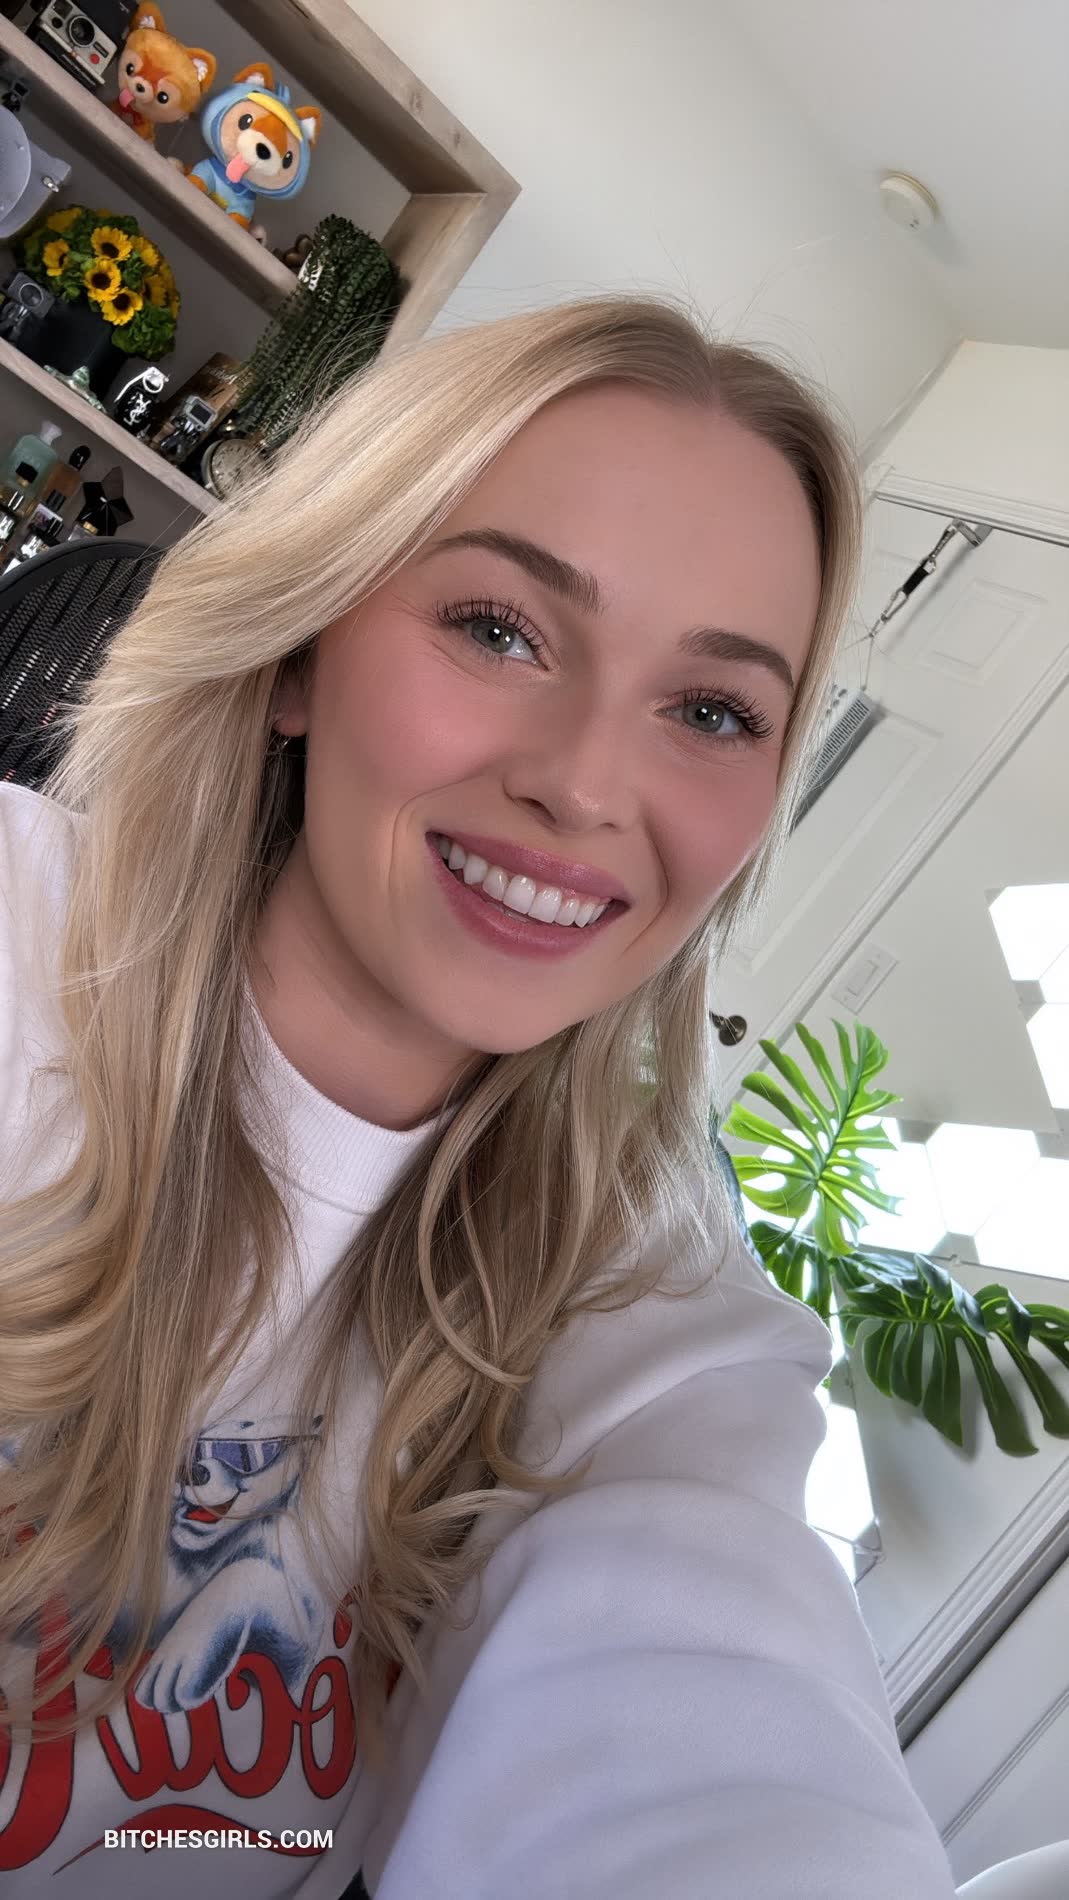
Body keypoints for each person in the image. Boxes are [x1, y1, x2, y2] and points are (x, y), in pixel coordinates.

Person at [0, 296, 957, 1899]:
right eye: (500, 629)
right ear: (302, 650)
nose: (583, 786)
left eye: (711, 712)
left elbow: (721, 1741)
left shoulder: (640, 1296)